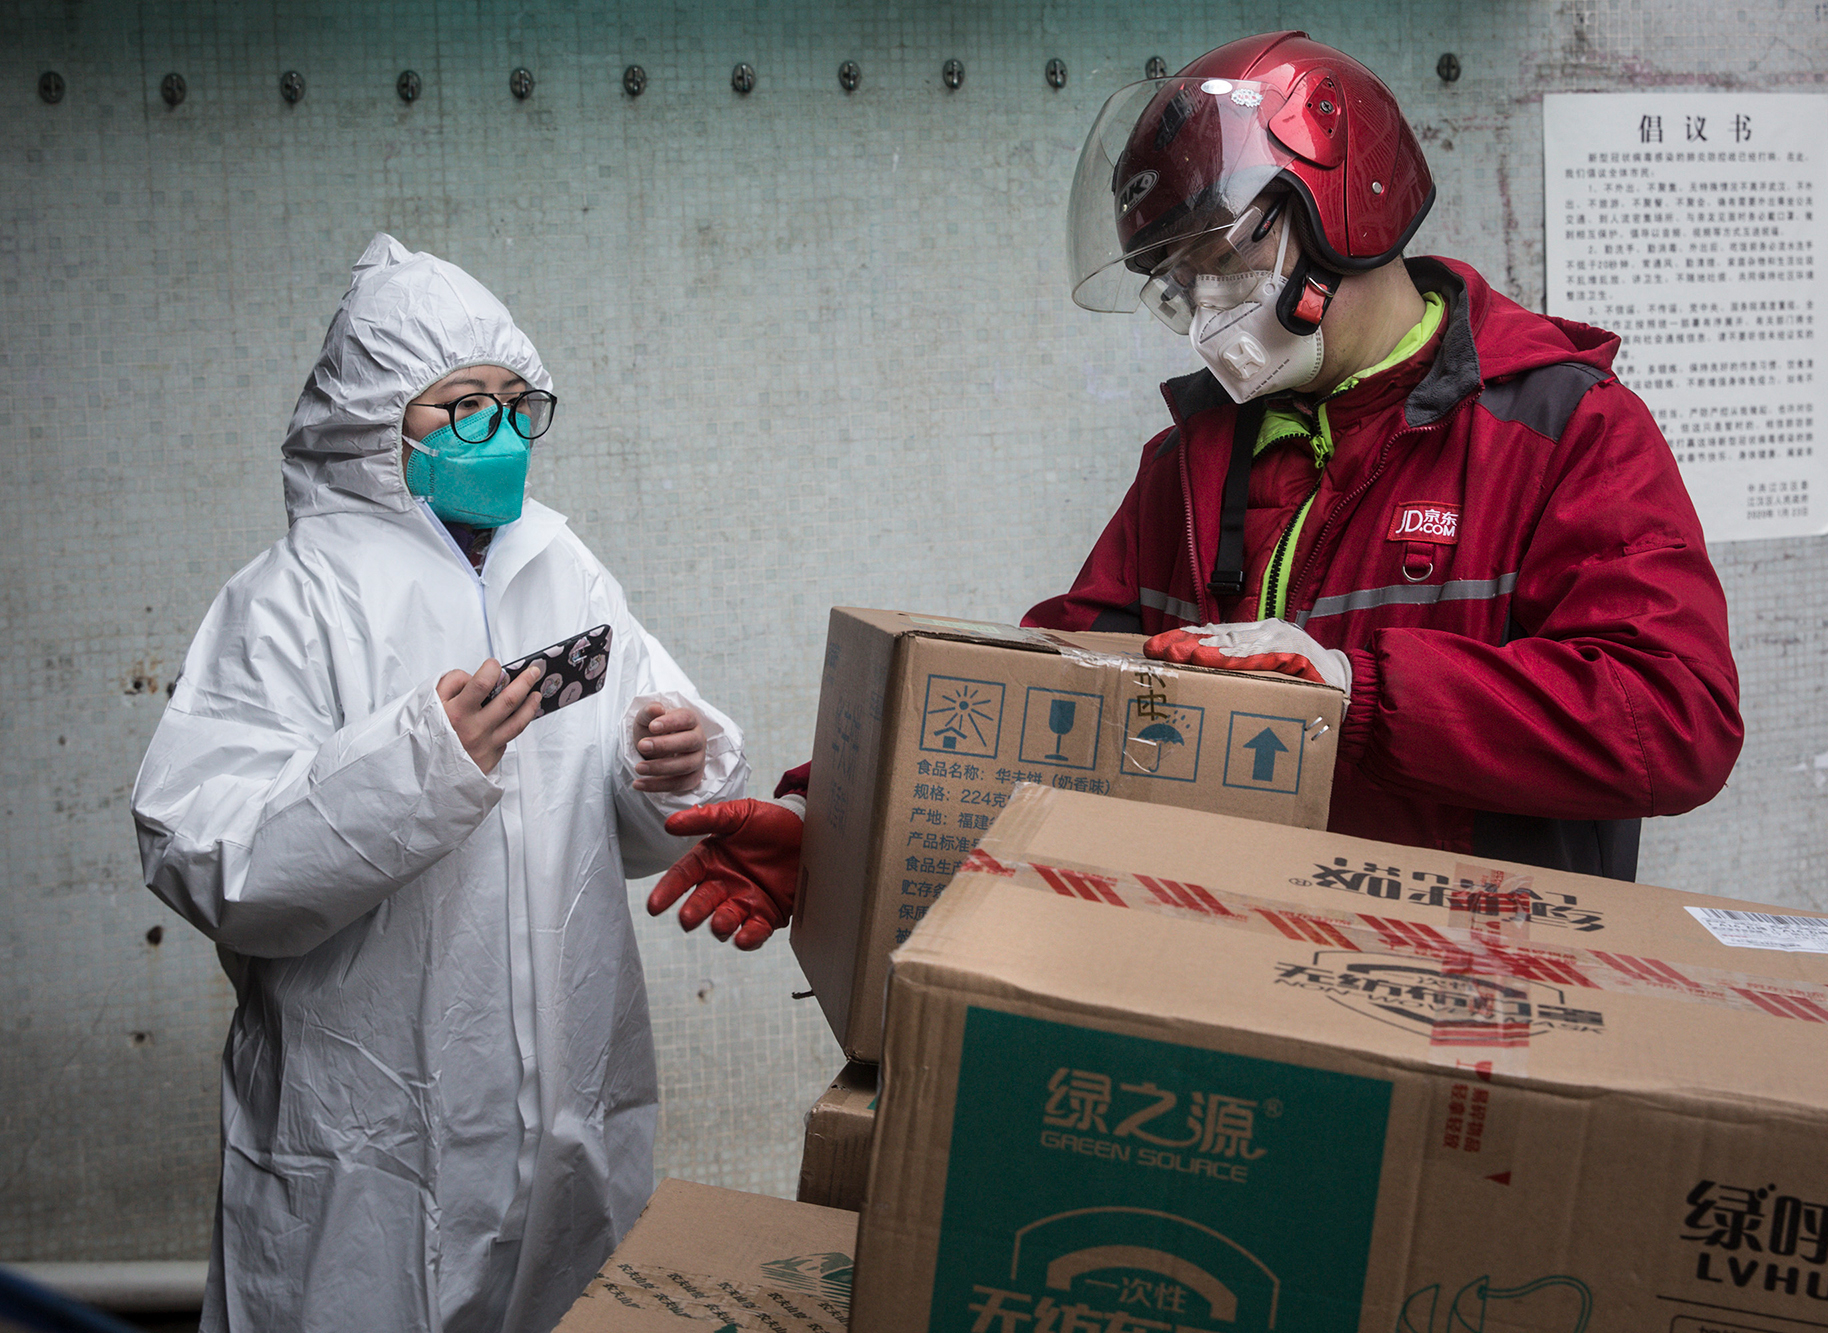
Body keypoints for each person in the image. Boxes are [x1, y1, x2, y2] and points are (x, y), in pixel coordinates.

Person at [649, 30, 1745, 951]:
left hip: (1472, 993)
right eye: (1174, 283)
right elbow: (1052, 688)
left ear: (1339, 206)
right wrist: (837, 823)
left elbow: (1674, 717)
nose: (1202, 305)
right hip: (1240, 977)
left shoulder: (1560, 429)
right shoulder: (1191, 467)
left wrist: (1354, 696)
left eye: (1217, 257)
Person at [131, 234, 748, 1333]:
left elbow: (651, 809)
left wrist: (670, 762)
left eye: (517, 404)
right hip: (368, 1142)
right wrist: (420, 769)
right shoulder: (291, 600)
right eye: (461, 407)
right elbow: (204, 853)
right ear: (374, 424)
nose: (498, 433)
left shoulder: (562, 563)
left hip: (563, 1119)